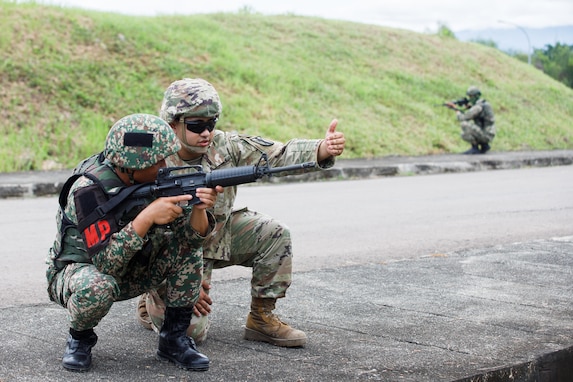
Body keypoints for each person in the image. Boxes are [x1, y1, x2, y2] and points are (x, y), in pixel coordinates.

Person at [135, 78, 346, 348]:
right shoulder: (151, 159)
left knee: (275, 234)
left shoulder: (227, 145)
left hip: (216, 235)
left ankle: (261, 318)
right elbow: (140, 235)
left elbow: (276, 155)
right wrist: (178, 279)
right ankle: (151, 295)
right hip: (171, 253)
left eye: (211, 124)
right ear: (172, 123)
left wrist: (322, 149)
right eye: (197, 125)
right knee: (189, 335)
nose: (206, 133)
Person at [46, 113, 222, 372]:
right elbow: (105, 263)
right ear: (131, 166)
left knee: (185, 251)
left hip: (130, 266)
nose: (164, 165)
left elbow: (190, 240)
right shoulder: (88, 191)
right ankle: (80, 339)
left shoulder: (153, 182)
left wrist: (199, 209)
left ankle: (174, 339)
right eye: (156, 160)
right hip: (79, 273)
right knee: (98, 286)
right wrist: (148, 217)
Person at [445, 86, 496, 154]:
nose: (469, 99)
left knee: (464, 126)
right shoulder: (484, 104)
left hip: (486, 134)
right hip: (489, 132)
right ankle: (484, 145)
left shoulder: (478, 107)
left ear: (475, 96)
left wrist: (456, 109)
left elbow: (463, 118)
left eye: (471, 96)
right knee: (468, 130)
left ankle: (475, 147)